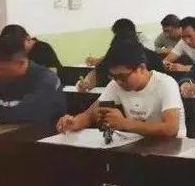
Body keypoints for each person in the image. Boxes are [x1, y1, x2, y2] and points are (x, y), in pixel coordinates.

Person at [57, 40, 186, 138]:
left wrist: (125, 123)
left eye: (122, 77)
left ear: (141, 68)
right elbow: (89, 115)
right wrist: (74, 122)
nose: (118, 81)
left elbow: (171, 129)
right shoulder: (116, 84)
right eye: (113, 76)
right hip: (138, 145)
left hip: (171, 149)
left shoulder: (165, 84)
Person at [0, 35, 65, 125]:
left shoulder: (47, 79)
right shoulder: (3, 79)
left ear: (20, 63)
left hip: (41, 132)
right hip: (8, 131)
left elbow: (28, 113)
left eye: (0, 70)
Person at [77, 19, 164, 92]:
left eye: (123, 77)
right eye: (115, 77)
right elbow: (97, 72)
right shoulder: (112, 56)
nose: (119, 81)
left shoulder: (150, 57)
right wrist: (86, 83)